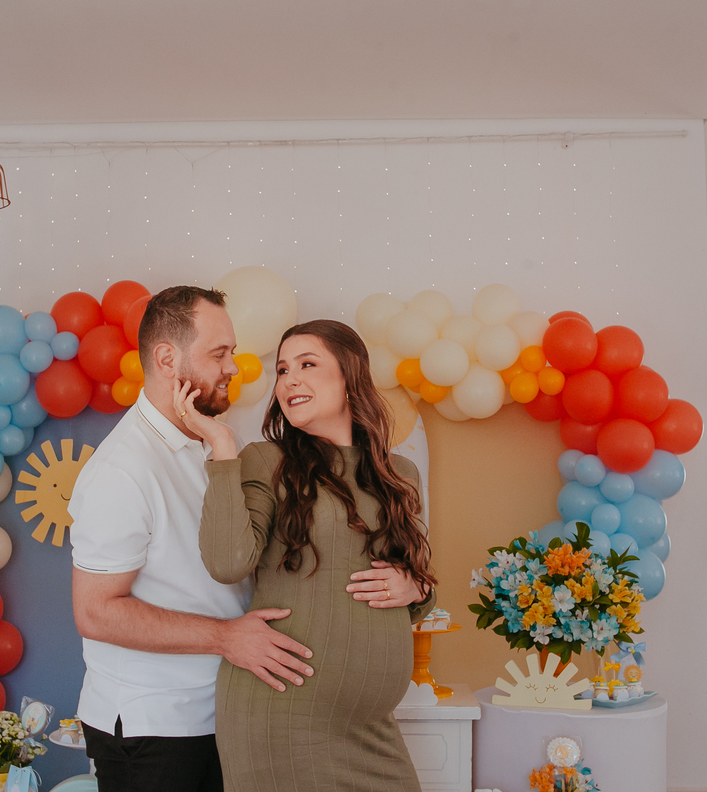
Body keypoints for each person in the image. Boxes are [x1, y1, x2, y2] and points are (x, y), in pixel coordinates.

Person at [67, 286, 315, 792]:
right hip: (152, 728)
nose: (233, 368)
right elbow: (95, 612)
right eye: (219, 354)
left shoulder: (215, 441)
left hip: (218, 712)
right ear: (166, 359)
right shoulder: (122, 470)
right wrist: (228, 638)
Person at [179, 319, 437, 792]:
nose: (288, 379)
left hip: (370, 728)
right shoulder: (264, 460)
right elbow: (227, 562)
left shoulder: (401, 473)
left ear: (349, 375)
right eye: (282, 369)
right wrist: (221, 449)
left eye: (307, 364)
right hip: (282, 716)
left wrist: (414, 586)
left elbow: (421, 590)